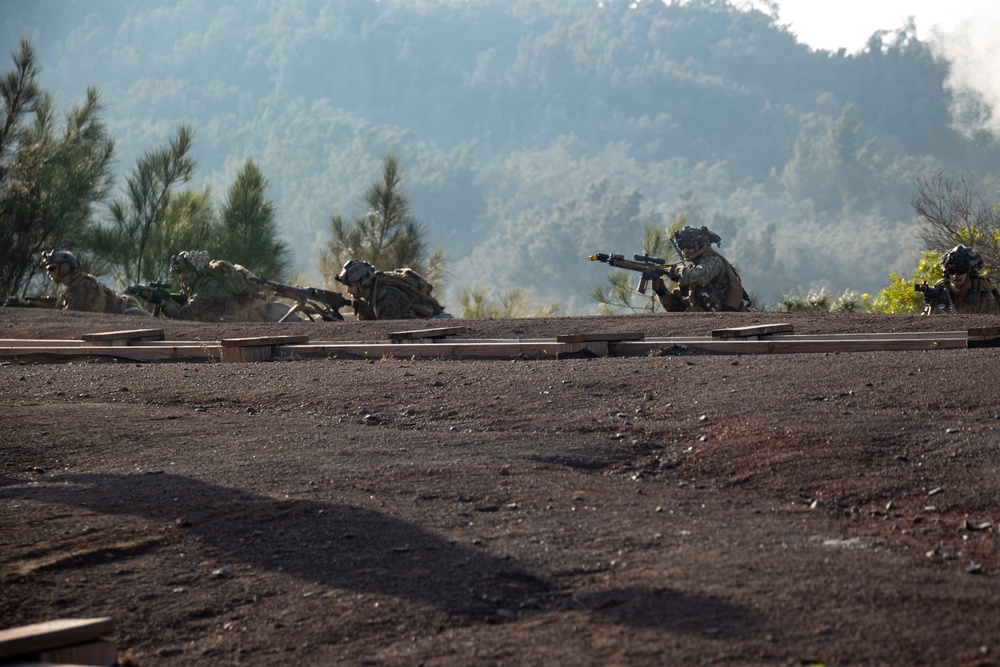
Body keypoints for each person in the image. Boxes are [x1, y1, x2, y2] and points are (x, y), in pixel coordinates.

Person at [144, 250, 295, 322]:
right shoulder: (199, 285)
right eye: (180, 273)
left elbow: (186, 315)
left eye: (185, 272)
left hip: (264, 314)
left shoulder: (209, 286)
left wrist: (164, 303)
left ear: (197, 270)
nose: (182, 277)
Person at [650, 226, 751, 312]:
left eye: (689, 246)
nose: (685, 250)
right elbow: (677, 308)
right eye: (681, 247)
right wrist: (661, 292)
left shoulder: (713, 261)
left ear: (700, 244)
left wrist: (677, 270)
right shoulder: (690, 270)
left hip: (731, 318)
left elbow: (700, 277)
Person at [41, 248, 150, 316]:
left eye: (52, 268)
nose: (49, 273)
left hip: (127, 311)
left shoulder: (81, 286)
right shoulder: (76, 285)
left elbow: (68, 315)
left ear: (65, 267)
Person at [335, 259, 448, 320]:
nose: (348, 291)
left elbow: (388, 331)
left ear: (363, 282)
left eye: (350, 286)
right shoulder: (369, 298)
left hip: (435, 324)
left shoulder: (386, 298)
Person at [922, 244, 999, 315]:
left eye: (960, 271)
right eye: (951, 271)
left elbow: (992, 321)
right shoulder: (940, 290)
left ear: (971, 272)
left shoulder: (983, 292)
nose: (955, 276)